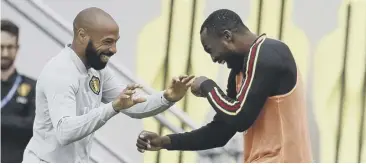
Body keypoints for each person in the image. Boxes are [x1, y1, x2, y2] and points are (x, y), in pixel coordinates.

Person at [136, 9, 313, 163]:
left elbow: (240, 117)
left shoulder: (267, 52)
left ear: (227, 36)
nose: (213, 59)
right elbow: (220, 133)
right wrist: (165, 141)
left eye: (210, 50)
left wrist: (207, 86)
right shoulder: (239, 72)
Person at [22, 7, 194, 163]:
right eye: (107, 42)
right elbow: (65, 132)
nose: (114, 50)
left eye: (115, 42)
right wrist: (113, 107)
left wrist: (167, 97)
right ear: (82, 35)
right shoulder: (60, 72)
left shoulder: (97, 70)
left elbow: (134, 106)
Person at [1, 19, 36, 163]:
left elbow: (36, 126)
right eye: (1, 47)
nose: (5, 53)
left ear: (17, 48)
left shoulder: (32, 87)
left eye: (10, 47)